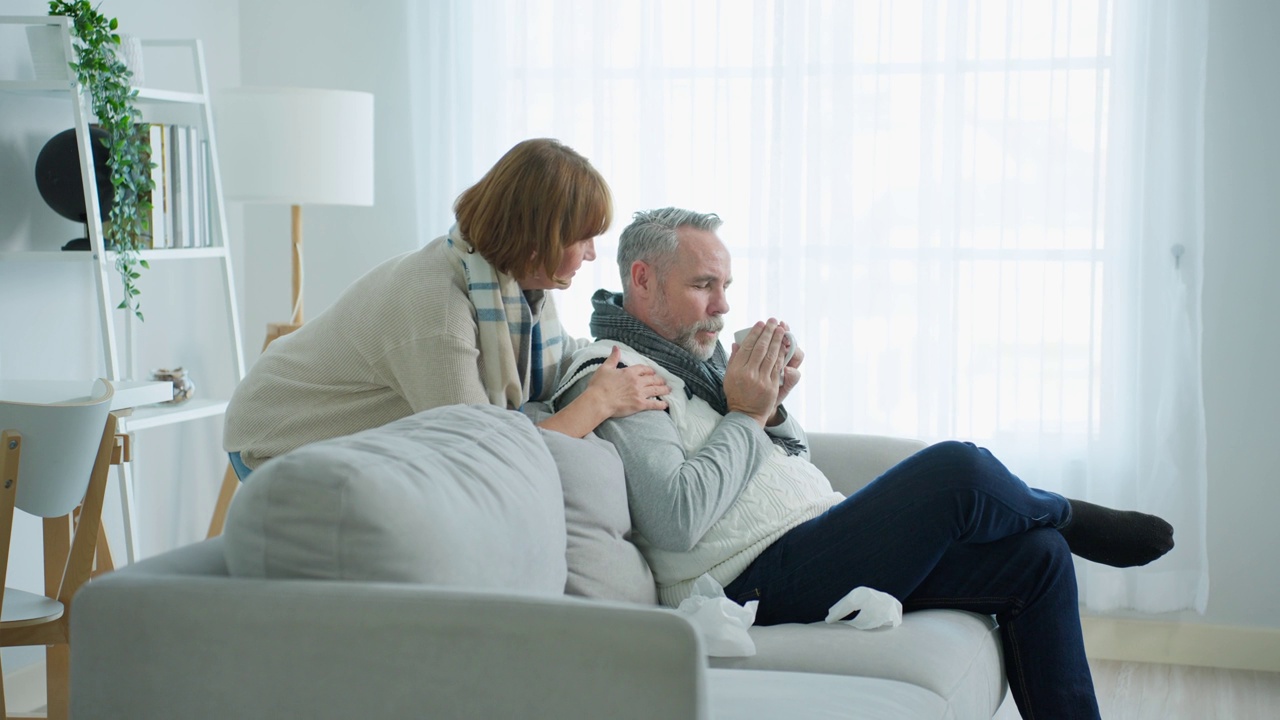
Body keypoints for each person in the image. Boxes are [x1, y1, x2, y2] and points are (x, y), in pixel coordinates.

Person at [553, 207, 1175, 719]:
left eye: (726, 287)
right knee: (955, 470)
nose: (721, 306)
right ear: (642, 278)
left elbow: (788, 457)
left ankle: (1055, 534)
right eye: (702, 286)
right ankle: (1068, 515)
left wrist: (771, 410)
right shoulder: (619, 374)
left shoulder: (698, 360)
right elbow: (675, 518)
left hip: (816, 540)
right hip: (747, 582)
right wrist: (744, 414)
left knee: (1036, 560)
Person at [223, 139, 670, 479]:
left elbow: (567, 353)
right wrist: (598, 402)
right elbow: (479, 456)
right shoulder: (438, 310)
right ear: (538, 241)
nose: (591, 254)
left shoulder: (511, 283)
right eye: (582, 239)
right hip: (275, 437)